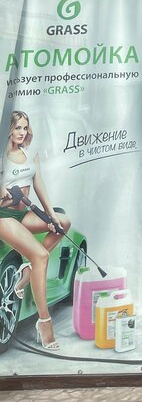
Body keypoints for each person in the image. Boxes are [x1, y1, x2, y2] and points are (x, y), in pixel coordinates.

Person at [0, 110, 72, 350]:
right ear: (8, 129)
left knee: (64, 224)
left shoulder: (30, 153)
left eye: (24, 127)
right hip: (4, 216)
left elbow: (38, 183)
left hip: (24, 214)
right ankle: (44, 322)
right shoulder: (1, 157)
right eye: (17, 127)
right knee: (41, 255)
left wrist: (51, 215)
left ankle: (26, 274)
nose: (21, 132)